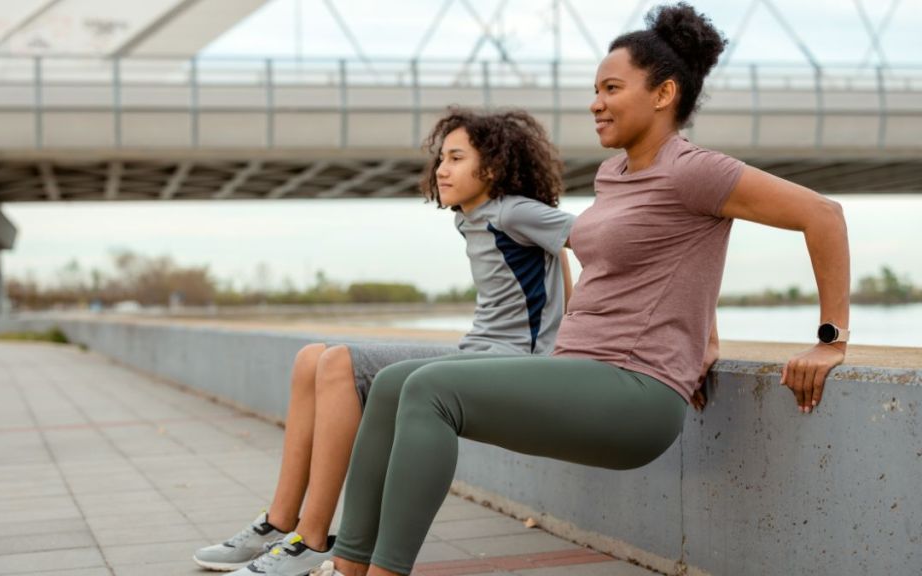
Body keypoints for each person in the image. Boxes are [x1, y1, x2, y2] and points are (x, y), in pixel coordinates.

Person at [313, 4, 851, 576]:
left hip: (633, 392)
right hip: (578, 371)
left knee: (431, 390)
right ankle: (348, 567)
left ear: (664, 93)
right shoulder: (613, 175)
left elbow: (822, 215)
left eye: (612, 88)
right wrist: (704, 332)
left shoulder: (696, 170)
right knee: (395, 384)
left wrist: (830, 339)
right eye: (595, 88)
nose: (595, 102)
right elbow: (672, 257)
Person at [192, 108, 577, 575]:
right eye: (441, 158)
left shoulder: (514, 210)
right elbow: (556, 261)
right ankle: (279, 522)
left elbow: (588, 244)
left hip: (511, 363)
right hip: (477, 352)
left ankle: (312, 539)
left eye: (456, 158)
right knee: (310, 358)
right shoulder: (469, 218)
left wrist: (573, 337)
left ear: (492, 167)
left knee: (339, 363)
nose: (441, 169)